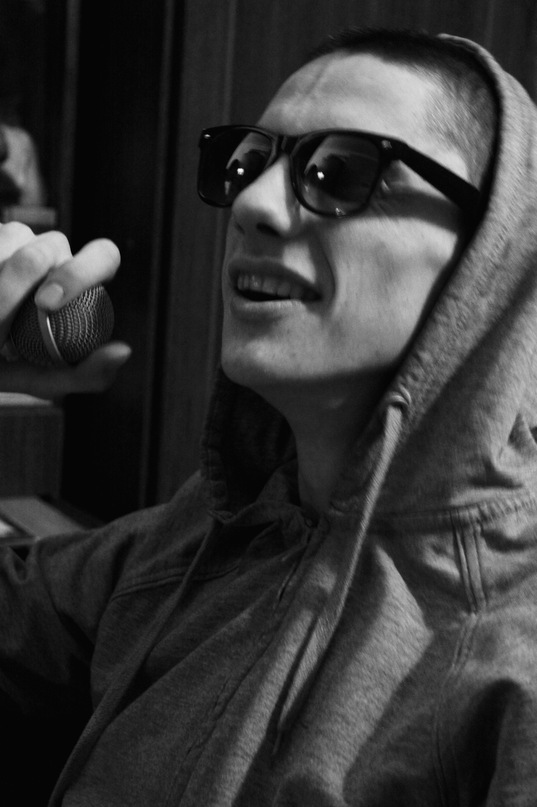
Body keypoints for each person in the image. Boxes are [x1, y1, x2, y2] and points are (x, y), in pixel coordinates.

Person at [0, 25, 536, 806]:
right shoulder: (202, 534)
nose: (251, 202)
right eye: (248, 163)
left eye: (342, 171)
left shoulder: (511, 662)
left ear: (490, 252)